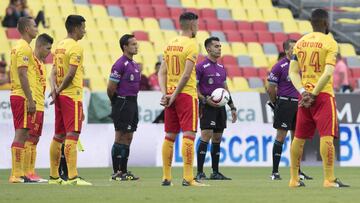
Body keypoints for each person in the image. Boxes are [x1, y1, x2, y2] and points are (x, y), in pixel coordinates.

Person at [288, 8, 349, 188]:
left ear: (312, 23)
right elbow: (329, 72)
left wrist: (303, 92)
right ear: (325, 23)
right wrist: (314, 94)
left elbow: (292, 72)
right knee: (326, 137)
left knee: (298, 138)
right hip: (322, 96)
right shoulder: (330, 43)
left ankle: (293, 179)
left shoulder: (300, 43)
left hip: (304, 96)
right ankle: (329, 179)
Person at [158, 12, 207, 187]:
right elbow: (186, 75)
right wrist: (177, 94)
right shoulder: (193, 45)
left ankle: (166, 177)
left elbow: (161, 72)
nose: (199, 27)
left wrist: (166, 94)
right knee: (189, 135)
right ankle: (188, 178)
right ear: (193, 25)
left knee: (170, 135)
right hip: (185, 95)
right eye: (198, 24)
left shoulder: (170, 43)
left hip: (170, 94)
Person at [48, 15, 91, 186]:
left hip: (60, 96)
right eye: (82, 28)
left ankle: (54, 177)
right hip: (71, 96)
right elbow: (71, 74)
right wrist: (58, 90)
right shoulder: (75, 47)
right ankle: (73, 177)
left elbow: (52, 72)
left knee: (58, 135)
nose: (84, 31)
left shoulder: (60, 46)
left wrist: (54, 90)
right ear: (75, 28)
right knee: (72, 134)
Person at [267, 39, 312, 181]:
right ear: (287, 50)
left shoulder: (301, 65)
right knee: (280, 137)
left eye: (297, 47)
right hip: (285, 103)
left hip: (299, 104)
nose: (295, 50)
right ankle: (275, 172)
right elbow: (270, 88)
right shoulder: (279, 66)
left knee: (297, 139)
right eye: (293, 47)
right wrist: (276, 103)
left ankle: (298, 171)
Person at [195, 37, 237, 181]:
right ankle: (200, 172)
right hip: (207, 107)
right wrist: (204, 99)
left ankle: (215, 172)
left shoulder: (221, 68)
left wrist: (232, 106)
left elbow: (225, 89)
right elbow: (194, 88)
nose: (219, 48)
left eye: (220, 46)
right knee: (206, 136)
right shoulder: (200, 67)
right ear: (208, 49)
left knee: (217, 138)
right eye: (216, 46)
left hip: (220, 108)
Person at [8, 16, 38, 183]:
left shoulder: (19, 47)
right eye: (34, 26)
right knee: (21, 134)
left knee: (23, 132)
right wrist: (30, 99)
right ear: (27, 29)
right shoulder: (24, 48)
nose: (36, 28)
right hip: (21, 96)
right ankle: (16, 174)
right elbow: (22, 73)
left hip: (18, 94)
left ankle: (19, 173)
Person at [107, 34, 140, 181]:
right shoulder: (120, 64)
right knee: (120, 135)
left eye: (136, 43)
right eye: (133, 44)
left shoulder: (134, 64)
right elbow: (111, 88)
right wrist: (116, 102)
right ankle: (116, 172)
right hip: (123, 102)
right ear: (125, 47)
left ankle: (124, 171)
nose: (136, 46)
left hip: (133, 102)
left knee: (129, 136)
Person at [23, 33, 53, 182]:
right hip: (33, 104)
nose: (49, 52)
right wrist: (31, 101)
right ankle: (26, 172)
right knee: (29, 138)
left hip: (40, 105)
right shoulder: (31, 61)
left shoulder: (41, 63)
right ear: (39, 46)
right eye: (47, 48)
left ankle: (31, 172)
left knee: (35, 139)